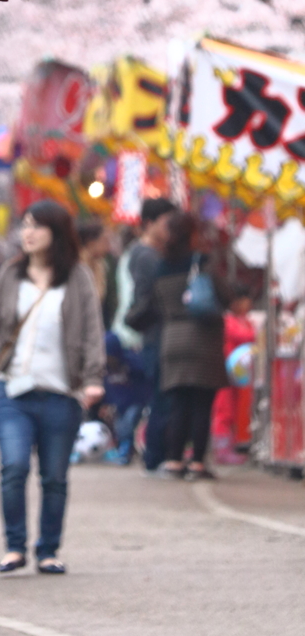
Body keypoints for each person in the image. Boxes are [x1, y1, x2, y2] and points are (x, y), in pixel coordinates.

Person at [0, 200, 105, 575]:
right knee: (14, 466)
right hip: (12, 391)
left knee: (54, 477)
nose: (28, 233)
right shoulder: (10, 274)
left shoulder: (78, 277)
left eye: (37, 226)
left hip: (61, 394)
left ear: (57, 232)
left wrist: (93, 379)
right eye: (25, 225)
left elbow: (91, 332)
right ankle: (15, 546)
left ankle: (48, 550)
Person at [156, 212, 228, 480]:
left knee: (178, 404)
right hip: (202, 339)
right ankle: (197, 462)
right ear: (193, 235)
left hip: (171, 338)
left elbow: (152, 303)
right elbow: (224, 294)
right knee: (201, 404)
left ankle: (173, 461)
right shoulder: (202, 262)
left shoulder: (161, 265)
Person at [124, 196, 175, 473]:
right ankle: (155, 456)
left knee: (162, 396)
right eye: (167, 223)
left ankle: (158, 454)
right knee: (160, 397)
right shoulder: (145, 256)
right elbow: (148, 298)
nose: (170, 229)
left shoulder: (152, 253)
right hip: (155, 337)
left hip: (157, 336)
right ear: (150, 223)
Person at [211, 284, 256, 464]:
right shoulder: (229, 320)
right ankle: (222, 447)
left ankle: (229, 445)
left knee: (234, 408)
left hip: (238, 373)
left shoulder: (242, 320)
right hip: (226, 371)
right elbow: (245, 336)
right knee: (224, 409)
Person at [101, 332, 151, 465]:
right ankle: (121, 448)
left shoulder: (130, 361)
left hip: (136, 402)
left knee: (128, 423)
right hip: (117, 405)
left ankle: (127, 447)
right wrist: (105, 403)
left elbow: (145, 374)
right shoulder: (105, 369)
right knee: (119, 426)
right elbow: (106, 388)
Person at [76, 218, 117, 329]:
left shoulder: (102, 265)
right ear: (91, 242)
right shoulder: (75, 268)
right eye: (105, 241)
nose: (109, 247)